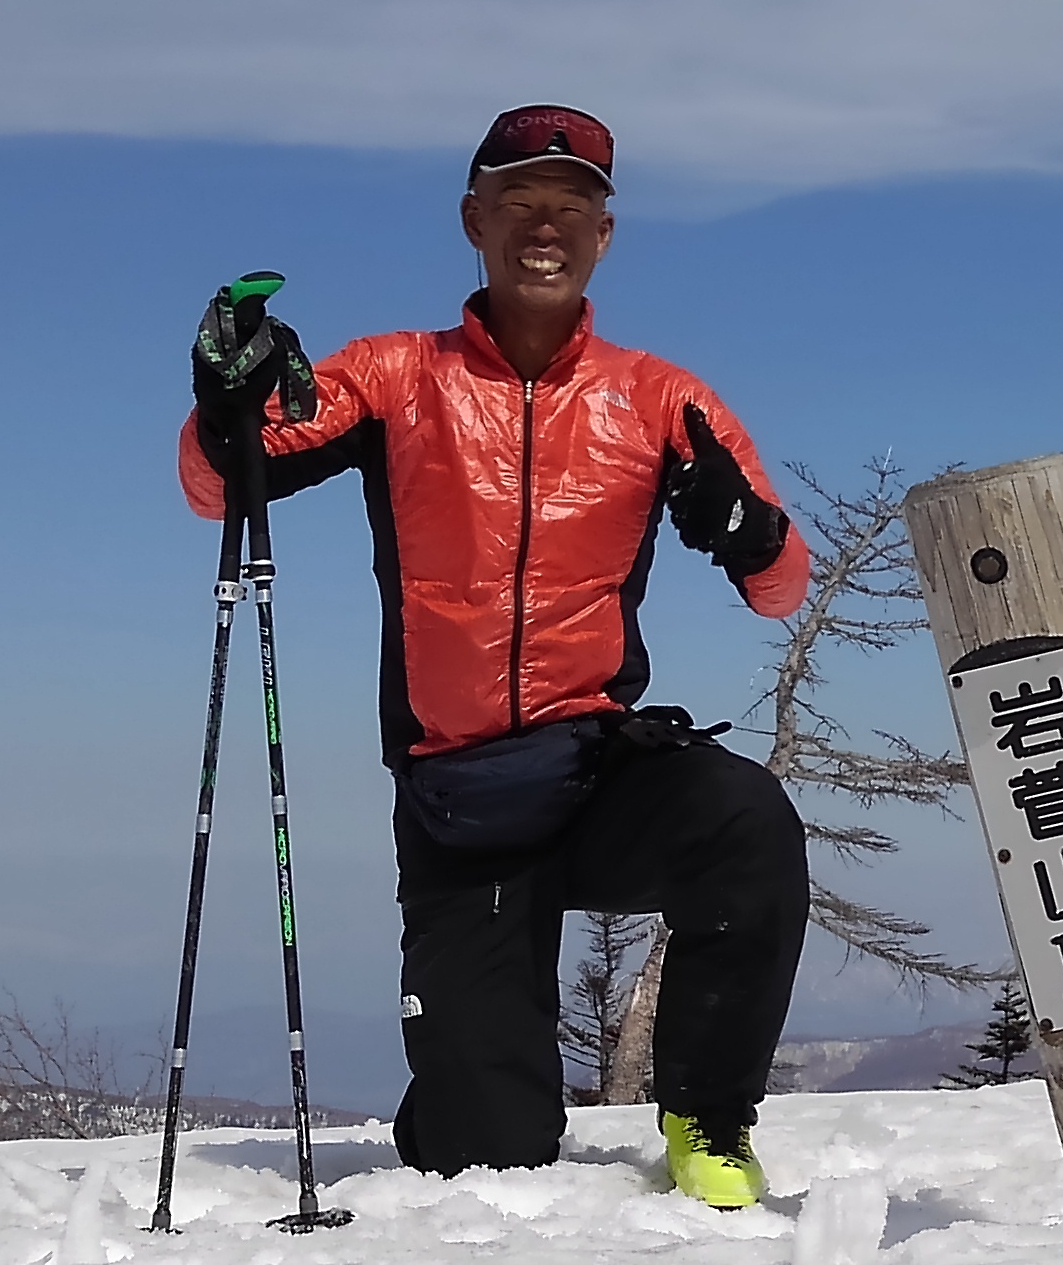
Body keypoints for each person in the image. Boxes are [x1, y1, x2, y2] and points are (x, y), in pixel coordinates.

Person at [177, 105, 813, 1206]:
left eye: (570, 208)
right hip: (459, 800)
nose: (544, 227)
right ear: (473, 221)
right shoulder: (393, 377)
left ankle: (707, 1120)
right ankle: (471, 1087)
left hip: (596, 771)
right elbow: (218, 483)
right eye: (518, 204)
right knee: (488, 1155)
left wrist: (744, 529)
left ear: (604, 234)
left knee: (745, 820)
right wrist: (220, 402)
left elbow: (781, 589)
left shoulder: (659, 399)